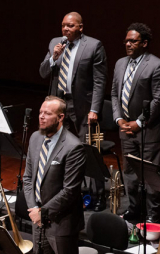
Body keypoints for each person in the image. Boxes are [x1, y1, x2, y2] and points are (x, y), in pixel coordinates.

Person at [39, 11, 107, 211]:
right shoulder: (55, 44)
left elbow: (99, 81)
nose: (66, 29)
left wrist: (95, 109)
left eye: (70, 26)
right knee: (60, 150)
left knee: (89, 151)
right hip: (59, 106)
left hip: (83, 108)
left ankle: (98, 196)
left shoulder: (94, 46)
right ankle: (69, 192)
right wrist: (53, 58)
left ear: (80, 27)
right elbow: (43, 72)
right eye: (63, 26)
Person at [111, 23, 160, 223]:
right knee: (129, 172)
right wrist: (119, 119)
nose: (127, 44)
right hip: (125, 129)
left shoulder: (157, 65)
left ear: (144, 43)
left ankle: (154, 215)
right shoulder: (120, 63)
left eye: (133, 41)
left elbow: (159, 100)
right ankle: (134, 209)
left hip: (149, 130)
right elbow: (114, 93)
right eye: (126, 40)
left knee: (150, 174)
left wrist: (139, 122)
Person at [23, 96, 86, 254]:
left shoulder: (73, 147)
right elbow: (28, 178)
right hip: (37, 219)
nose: (42, 116)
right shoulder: (35, 138)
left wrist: (43, 212)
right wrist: (34, 209)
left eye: (47, 113)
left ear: (60, 117)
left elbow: (70, 190)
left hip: (61, 224)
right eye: (40, 112)